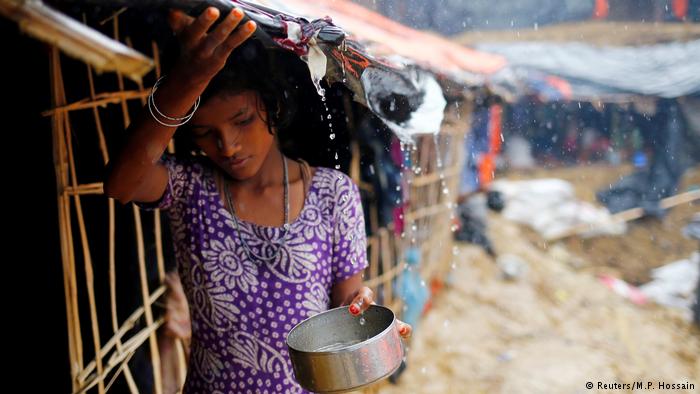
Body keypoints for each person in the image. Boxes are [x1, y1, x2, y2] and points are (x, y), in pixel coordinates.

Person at [105, 6, 411, 393]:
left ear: (274, 106)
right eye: (204, 133)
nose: (228, 146)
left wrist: (365, 314)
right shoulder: (188, 187)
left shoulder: (333, 195)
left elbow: (344, 308)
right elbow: (120, 185)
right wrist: (186, 81)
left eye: (242, 120)